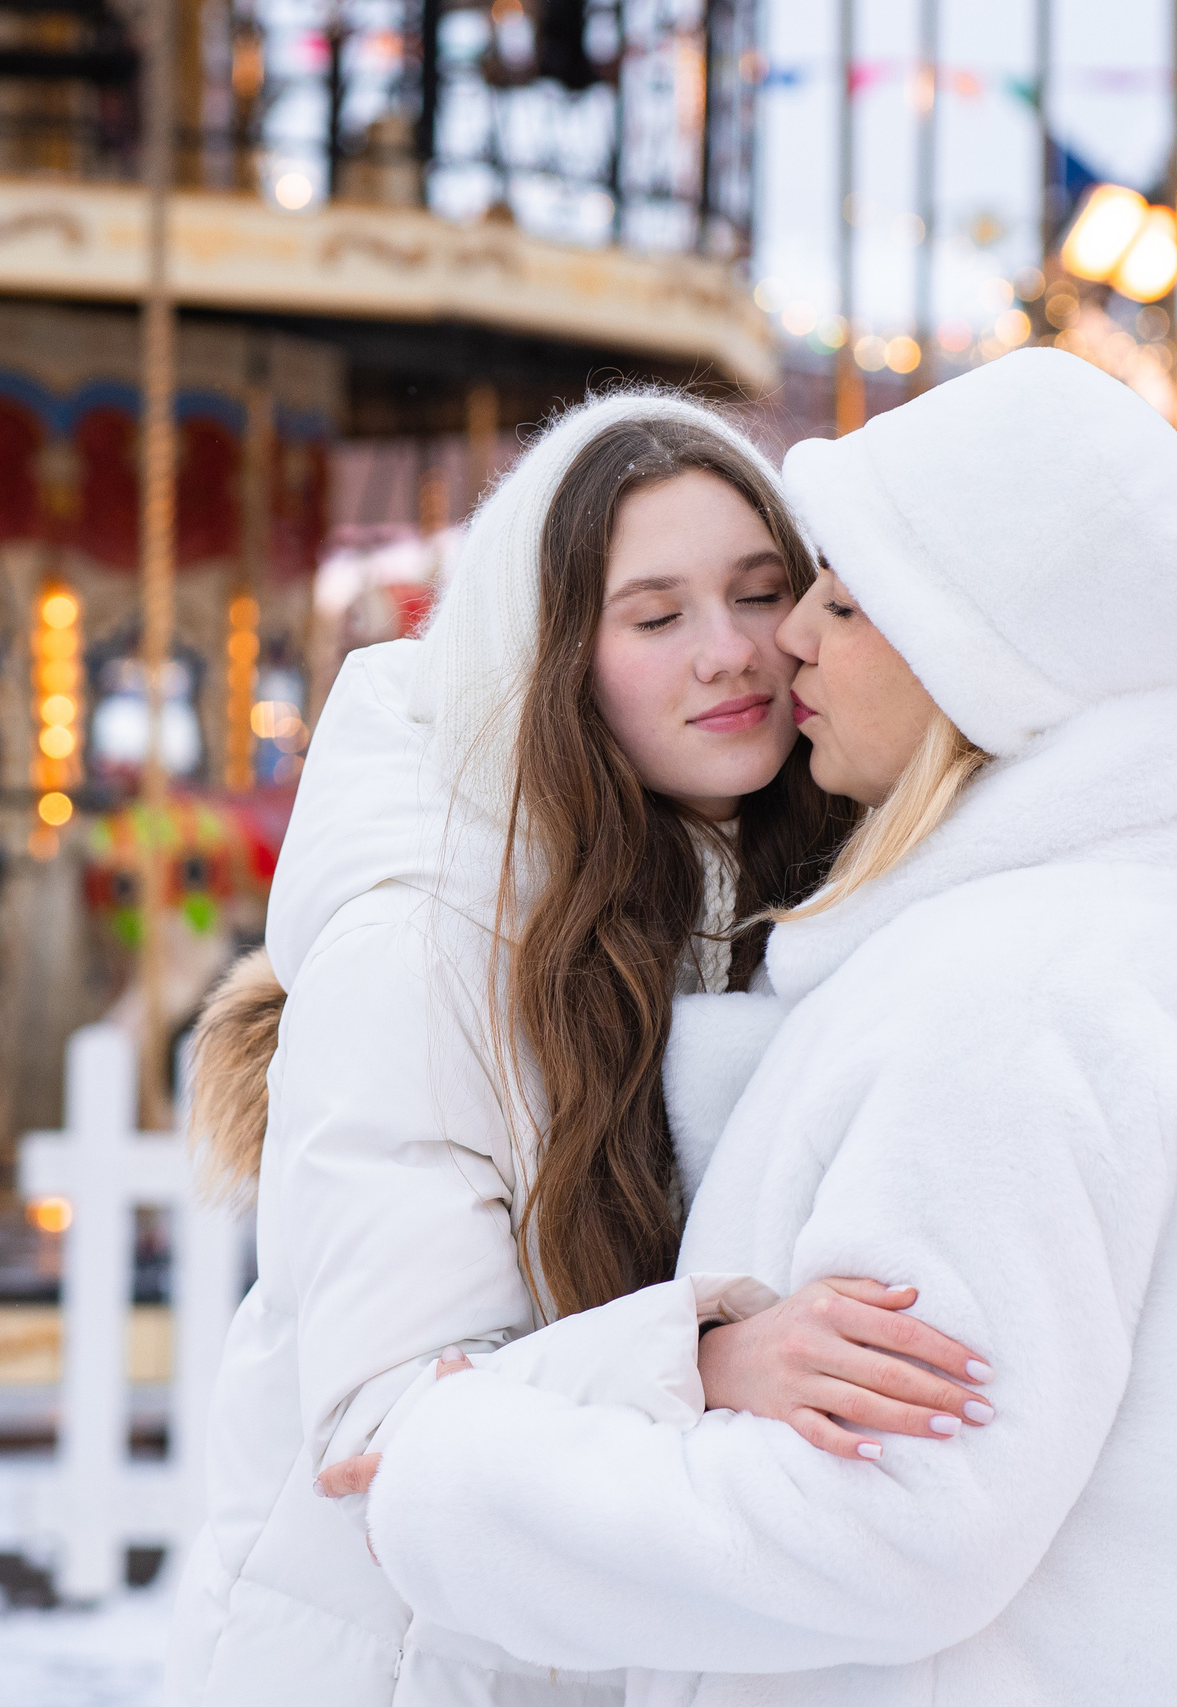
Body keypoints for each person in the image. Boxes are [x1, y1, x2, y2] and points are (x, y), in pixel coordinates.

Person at [343, 349, 1177, 1704]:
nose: (791, 639)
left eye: (846, 602)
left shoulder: (1013, 998)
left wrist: (458, 1482)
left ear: (974, 657)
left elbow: (879, 1520)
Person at [167, 389, 994, 1707]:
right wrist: (705, 1360)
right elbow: (382, 1430)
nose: (731, 652)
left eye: (761, 594)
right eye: (656, 618)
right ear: (547, 656)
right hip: (396, 1666)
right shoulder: (421, 946)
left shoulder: (788, 906)